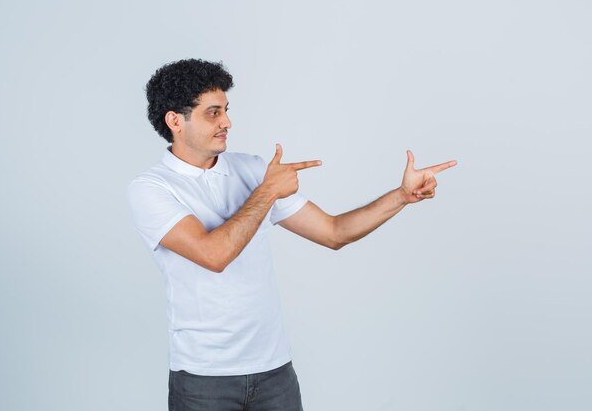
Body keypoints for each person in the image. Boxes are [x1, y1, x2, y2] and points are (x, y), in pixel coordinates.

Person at [127, 58, 457, 411]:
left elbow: (334, 232)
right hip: (204, 379)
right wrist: (267, 191)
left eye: (225, 110)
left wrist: (401, 196)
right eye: (213, 113)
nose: (227, 122)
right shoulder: (152, 189)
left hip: (275, 373)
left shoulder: (252, 169)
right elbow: (214, 255)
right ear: (175, 121)